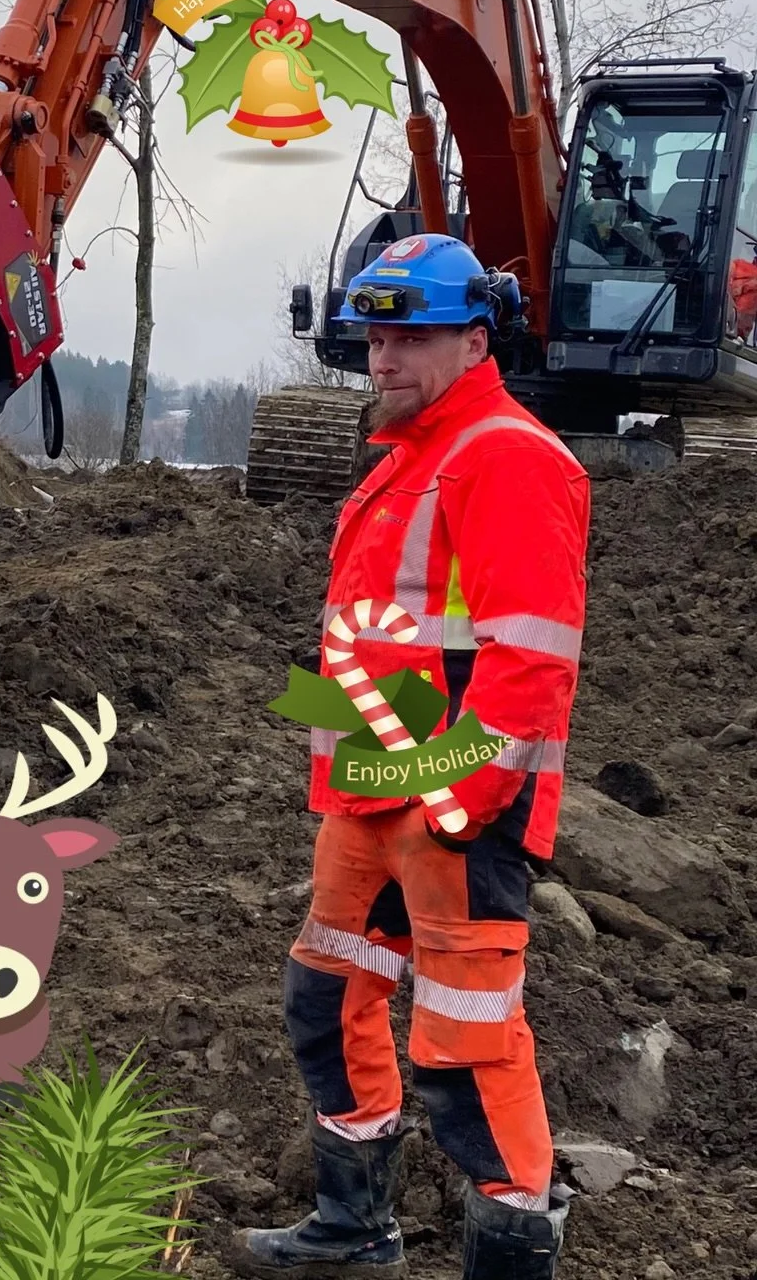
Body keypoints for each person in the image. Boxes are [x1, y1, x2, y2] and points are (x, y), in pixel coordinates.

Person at [232, 234, 590, 1279]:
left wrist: (462, 800)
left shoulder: (508, 457)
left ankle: (509, 1258)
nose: (384, 359)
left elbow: (530, 662)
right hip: (374, 799)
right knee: (326, 1002)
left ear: (477, 341)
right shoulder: (412, 462)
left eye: (412, 338)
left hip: (450, 810)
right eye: (377, 337)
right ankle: (354, 1231)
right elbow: (387, 639)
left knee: (469, 1050)